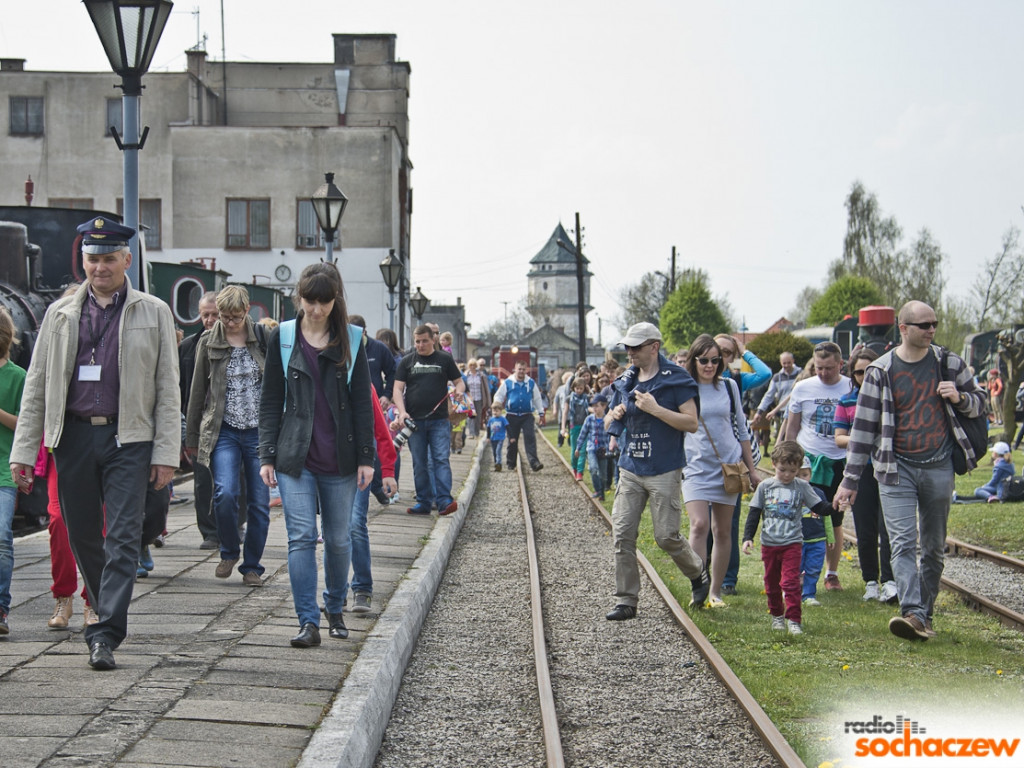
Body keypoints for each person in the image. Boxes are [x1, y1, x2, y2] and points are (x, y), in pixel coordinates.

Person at [10, 217, 180, 670]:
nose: (100, 268)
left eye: (108, 259)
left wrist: (166, 453)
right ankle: (104, 611)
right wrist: (24, 451)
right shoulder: (59, 314)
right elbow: (38, 385)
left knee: (123, 535)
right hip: (74, 436)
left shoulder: (155, 311)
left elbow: (168, 387)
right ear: (82, 261)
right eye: (93, 259)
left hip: (130, 437)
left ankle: (104, 631)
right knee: (81, 531)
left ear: (127, 259)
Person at [834, 301, 987, 641]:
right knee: (903, 543)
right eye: (923, 325)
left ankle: (924, 615)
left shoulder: (948, 363)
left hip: (939, 466)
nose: (931, 329)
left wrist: (961, 398)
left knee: (933, 547)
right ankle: (912, 613)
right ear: (903, 328)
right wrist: (850, 480)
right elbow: (862, 431)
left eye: (934, 323)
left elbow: (982, 403)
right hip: (895, 468)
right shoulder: (880, 371)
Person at [259, 262, 375, 647]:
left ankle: (335, 607)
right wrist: (267, 455)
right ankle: (307, 621)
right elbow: (271, 398)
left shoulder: (353, 340)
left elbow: (362, 403)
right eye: (310, 301)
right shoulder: (285, 337)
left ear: (334, 300)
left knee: (339, 539)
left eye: (324, 302)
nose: (316, 310)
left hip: (340, 459)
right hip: (296, 457)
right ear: (300, 298)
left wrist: (366, 457)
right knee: (301, 537)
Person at [604, 322, 708, 620]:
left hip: (663, 468)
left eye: (636, 347)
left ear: (654, 346)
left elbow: (691, 423)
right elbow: (608, 423)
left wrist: (655, 409)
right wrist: (615, 414)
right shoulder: (626, 380)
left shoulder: (676, 379)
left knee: (666, 537)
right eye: (627, 347)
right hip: (631, 468)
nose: (630, 352)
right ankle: (626, 600)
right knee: (622, 534)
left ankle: (697, 571)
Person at [185, 285, 270, 587]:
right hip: (224, 430)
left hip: (259, 432)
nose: (229, 323)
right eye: (224, 317)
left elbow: (279, 385)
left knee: (259, 503)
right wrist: (192, 437)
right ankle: (229, 550)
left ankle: (252, 567)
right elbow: (197, 391)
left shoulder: (263, 338)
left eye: (235, 317)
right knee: (224, 493)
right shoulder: (208, 341)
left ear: (247, 311)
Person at [682, 335, 760, 608]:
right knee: (699, 525)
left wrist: (752, 469)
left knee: (723, 531)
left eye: (716, 360)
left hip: (728, 465)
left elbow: (741, 428)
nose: (710, 365)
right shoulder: (684, 388)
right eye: (704, 360)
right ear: (694, 360)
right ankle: (698, 586)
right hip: (695, 467)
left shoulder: (728, 387)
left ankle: (715, 592)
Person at [742, 441, 835, 635]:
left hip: (792, 543)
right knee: (771, 582)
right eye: (783, 470)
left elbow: (819, 507)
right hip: (769, 544)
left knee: (790, 582)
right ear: (774, 464)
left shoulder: (801, 487)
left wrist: (834, 506)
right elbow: (754, 512)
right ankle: (777, 615)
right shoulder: (765, 487)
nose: (787, 475)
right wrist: (748, 537)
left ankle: (794, 619)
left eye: (792, 471)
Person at [783, 341, 850, 591]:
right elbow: (793, 425)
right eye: (819, 368)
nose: (823, 373)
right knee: (806, 517)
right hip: (810, 460)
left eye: (829, 368)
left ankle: (831, 573)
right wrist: (788, 458)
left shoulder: (850, 386)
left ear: (840, 365)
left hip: (839, 460)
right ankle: (800, 570)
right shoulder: (802, 388)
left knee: (835, 518)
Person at [834, 348, 895, 603]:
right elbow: (839, 438)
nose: (864, 376)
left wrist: (863, 438)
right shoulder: (847, 401)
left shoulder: (891, 399)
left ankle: (890, 580)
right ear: (853, 373)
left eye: (870, 371)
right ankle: (870, 579)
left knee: (889, 526)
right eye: (859, 371)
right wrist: (865, 439)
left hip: (889, 466)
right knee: (865, 527)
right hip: (862, 469)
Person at [713, 333, 771, 597]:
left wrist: (745, 351)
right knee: (703, 522)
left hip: (733, 458)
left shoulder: (735, 380)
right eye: (717, 351)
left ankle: (728, 577)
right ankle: (705, 570)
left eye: (727, 353)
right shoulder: (695, 378)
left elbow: (765, 373)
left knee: (729, 521)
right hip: (706, 458)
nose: (721, 357)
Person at [391, 324, 465, 516]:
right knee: (419, 462)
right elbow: (397, 389)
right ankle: (423, 502)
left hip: (439, 420)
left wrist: (459, 391)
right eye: (417, 341)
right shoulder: (407, 361)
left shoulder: (445, 359)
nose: (420, 345)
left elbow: (459, 382)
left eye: (424, 341)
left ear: (433, 339)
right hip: (415, 422)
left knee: (440, 459)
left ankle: (444, 501)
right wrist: (402, 411)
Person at [343, 387, 398, 615]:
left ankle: (362, 587)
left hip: (359, 461)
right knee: (332, 527)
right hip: (325, 462)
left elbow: (380, 426)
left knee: (355, 522)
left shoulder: (360, 377)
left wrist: (387, 470)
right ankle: (335, 591)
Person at [179, 291, 221, 549]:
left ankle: (232, 522)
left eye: (214, 314)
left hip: (230, 423)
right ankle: (209, 531)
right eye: (205, 314)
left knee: (234, 479)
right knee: (203, 479)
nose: (209, 320)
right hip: (200, 424)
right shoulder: (187, 348)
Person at [0, 308, 25, 635]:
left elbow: (25, 424)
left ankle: (1, 608)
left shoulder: (17, 377)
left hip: (4, 472)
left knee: (2, 538)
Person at [491, 360, 545, 473]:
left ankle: (534, 462)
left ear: (526, 370)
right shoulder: (508, 382)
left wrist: (541, 413)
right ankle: (511, 462)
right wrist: (497, 406)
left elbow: (537, 398)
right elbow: (499, 396)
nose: (521, 371)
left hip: (527, 415)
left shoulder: (530, 383)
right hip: (512, 415)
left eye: (523, 369)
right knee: (512, 440)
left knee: (530, 438)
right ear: (515, 369)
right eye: (519, 369)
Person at [797, 456, 834, 607]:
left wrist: (830, 537)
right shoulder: (791, 494)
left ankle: (809, 594)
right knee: (795, 568)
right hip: (796, 540)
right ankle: (792, 591)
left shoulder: (818, 493)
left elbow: (827, 517)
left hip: (817, 540)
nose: (802, 479)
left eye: (805, 475)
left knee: (813, 568)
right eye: (798, 475)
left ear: (810, 474)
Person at [753, 352, 799, 444]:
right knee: (782, 438)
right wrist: (759, 411)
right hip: (782, 412)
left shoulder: (800, 374)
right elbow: (769, 395)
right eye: (784, 363)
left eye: (789, 362)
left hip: (797, 411)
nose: (786, 365)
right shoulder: (777, 377)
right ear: (780, 363)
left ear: (793, 361)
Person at [574, 393, 611, 501]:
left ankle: (602, 492)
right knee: (593, 469)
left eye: (597, 406)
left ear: (604, 406)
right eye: (593, 406)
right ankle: (597, 490)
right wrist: (578, 447)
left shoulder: (607, 419)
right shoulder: (589, 419)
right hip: (591, 448)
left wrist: (611, 448)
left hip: (603, 449)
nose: (594, 408)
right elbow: (583, 434)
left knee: (603, 474)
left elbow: (611, 436)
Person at [563, 377, 591, 480]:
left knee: (583, 450)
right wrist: (563, 427)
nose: (579, 390)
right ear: (573, 388)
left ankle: (580, 471)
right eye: (577, 388)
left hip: (585, 426)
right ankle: (574, 467)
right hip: (574, 426)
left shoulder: (587, 398)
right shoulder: (569, 398)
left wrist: (588, 388)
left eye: (581, 388)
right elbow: (565, 412)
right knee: (575, 449)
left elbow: (595, 398)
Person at [463, 358, 492, 440]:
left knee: (478, 416)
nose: (472, 366)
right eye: (470, 365)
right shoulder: (466, 375)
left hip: (479, 397)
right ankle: (471, 433)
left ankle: (477, 432)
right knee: (471, 416)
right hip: (469, 398)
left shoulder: (481, 375)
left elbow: (486, 388)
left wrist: (488, 401)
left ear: (476, 366)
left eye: (474, 365)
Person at [487, 404, 509, 471]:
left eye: (497, 411)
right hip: (493, 438)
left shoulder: (503, 419)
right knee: (494, 451)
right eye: (494, 411)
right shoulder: (491, 420)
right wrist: (488, 437)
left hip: (500, 438)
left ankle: (498, 463)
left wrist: (510, 435)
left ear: (501, 411)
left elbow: (507, 426)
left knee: (498, 450)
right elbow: (488, 428)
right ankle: (496, 463)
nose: (495, 413)